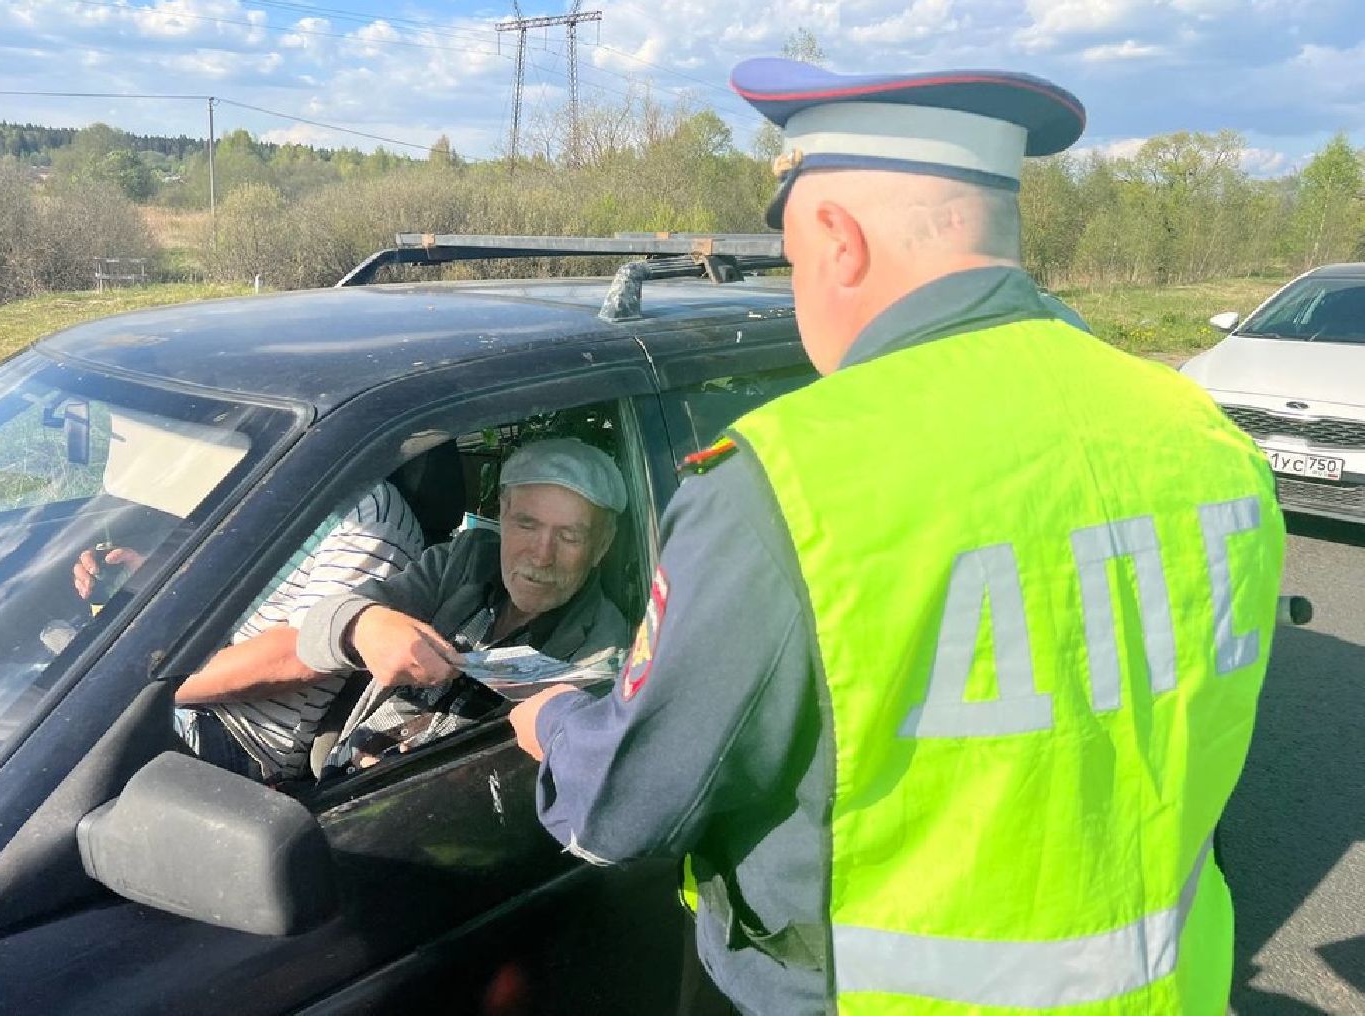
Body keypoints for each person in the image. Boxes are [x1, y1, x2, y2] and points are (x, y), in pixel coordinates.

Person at [509, 60, 1285, 1014]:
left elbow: (628, 803)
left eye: (793, 263)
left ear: (836, 239)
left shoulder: (789, 485)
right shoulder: (1204, 436)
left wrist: (548, 720)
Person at [298, 437, 631, 772]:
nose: (542, 555)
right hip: (342, 767)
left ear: (602, 545)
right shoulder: (461, 561)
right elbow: (315, 628)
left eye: (569, 536)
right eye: (526, 524)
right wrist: (363, 624)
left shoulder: (602, 650)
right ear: (502, 513)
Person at [75, 481, 424, 782]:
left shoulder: (368, 516)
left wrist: (137, 687)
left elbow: (299, 654)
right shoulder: (276, 495)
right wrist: (148, 582)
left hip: (233, 737)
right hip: (185, 699)